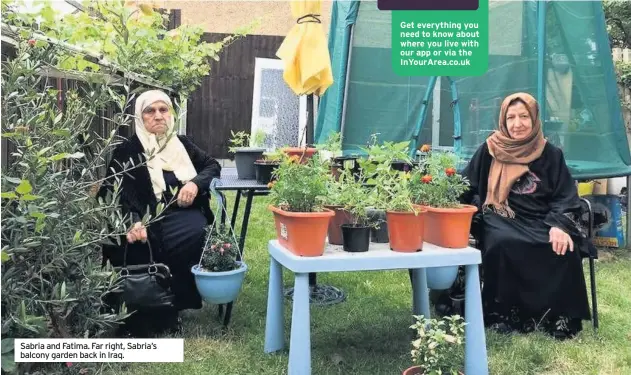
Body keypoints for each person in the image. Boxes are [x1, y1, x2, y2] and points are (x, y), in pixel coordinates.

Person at [460, 92, 592, 340]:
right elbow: (466, 186)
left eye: (523, 116)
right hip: (499, 215)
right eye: (511, 117)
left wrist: (559, 225)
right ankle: (503, 315)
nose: (517, 124)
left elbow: (565, 195)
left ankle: (559, 317)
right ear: (503, 120)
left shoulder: (551, 154)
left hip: (543, 218)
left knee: (565, 247)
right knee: (503, 243)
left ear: (534, 119)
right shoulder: (489, 150)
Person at [98, 90, 221, 337]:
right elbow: (110, 193)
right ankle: (142, 310)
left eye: (163, 110)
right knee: (140, 242)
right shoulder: (128, 150)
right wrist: (131, 222)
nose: (158, 116)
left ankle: (175, 306)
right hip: (140, 217)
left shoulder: (182, 144)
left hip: (180, 213)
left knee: (193, 232)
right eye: (150, 111)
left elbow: (212, 166)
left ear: (171, 114)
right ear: (140, 117)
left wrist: (195, 184)